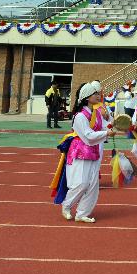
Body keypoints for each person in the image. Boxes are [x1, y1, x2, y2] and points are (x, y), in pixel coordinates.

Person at [53, 81, 115, 223]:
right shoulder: (80, 116)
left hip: (93, 152)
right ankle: (66, 205)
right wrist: (106, 133)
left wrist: (110, 121)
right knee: (81, 183)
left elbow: (107, 126)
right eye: (95, 94)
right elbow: (87, 136)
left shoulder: (97, 113)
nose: (99, 95)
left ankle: (82, 213)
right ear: (87, 97)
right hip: (80, 152)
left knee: (93, 185)